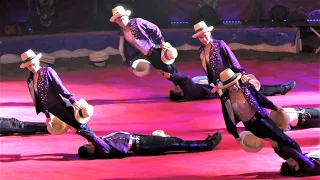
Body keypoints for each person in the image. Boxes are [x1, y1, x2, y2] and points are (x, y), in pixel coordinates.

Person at [218, 68, 320, 176]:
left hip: (260, 118)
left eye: (234, 83)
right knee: (281, 142)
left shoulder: (246, 88)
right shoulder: (226, 99)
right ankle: (281, 148)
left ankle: (280, 148)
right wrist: (235, 135)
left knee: (281, 141)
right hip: (251, 125)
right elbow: (228, 118)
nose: (234, 86)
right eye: (230, 85)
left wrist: (274, 108)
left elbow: (261, 99)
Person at [20, 49, 108, 150]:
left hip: (60, 106)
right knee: (77, 127)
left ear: (37, 61)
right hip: (53, 109)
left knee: (78, 127)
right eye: (29, 65)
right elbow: (37, 98)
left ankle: (102, 145)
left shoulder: (47, 72)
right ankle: (98, 143)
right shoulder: (30, 80)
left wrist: (72, 100)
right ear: (26, 67)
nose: (32, 67)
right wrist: (47, 115)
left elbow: (60, 88)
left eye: (33, 63)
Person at [191, 21, 295, 96]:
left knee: (252, 89)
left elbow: (232, 59)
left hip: (230, 77)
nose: (204, 39)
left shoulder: (219, 44)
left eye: (205, 35)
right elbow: (207, 69)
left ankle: (281, 88)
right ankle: (282, 88)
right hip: (219, 83)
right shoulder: (201, 51)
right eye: (201, 37)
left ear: (209, 33)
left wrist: (242, 73)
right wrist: (213, 84)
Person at [110, 6, 178, 84]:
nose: (123, 22)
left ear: (127, 16)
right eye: (119, 21)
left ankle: (181, 86)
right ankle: (180, 86)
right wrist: (128, 64)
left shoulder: (137, 22)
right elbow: (122, 49)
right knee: (164, 71)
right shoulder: (122, 32)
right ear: (116, 22)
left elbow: (154, 28)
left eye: (123, 19)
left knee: (168, 70)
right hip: (143, 55)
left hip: (153, 50)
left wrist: (161, 42)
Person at [78, 131, 222, 159]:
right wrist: (81, 130)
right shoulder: (104, 149)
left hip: (140, 139)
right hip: (143, 145)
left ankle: (204, 143)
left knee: (174, 141)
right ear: (90, 152)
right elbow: (93, 137)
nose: (89, 143)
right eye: (87, 146)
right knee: (177, 143)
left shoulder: (103, 143)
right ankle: (207, 144)